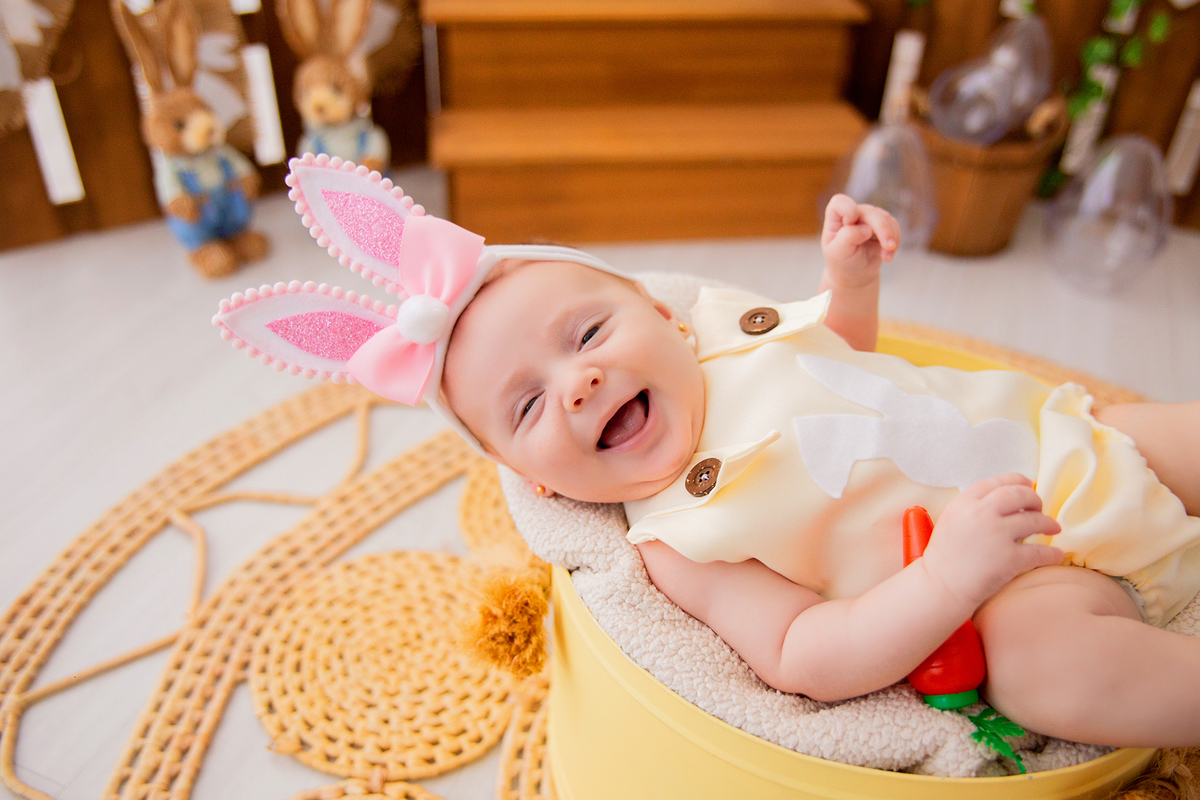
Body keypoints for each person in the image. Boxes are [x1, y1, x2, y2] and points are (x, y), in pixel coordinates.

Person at [220, 159, 1200, 750]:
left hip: (1075, 442)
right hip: (1011, 594)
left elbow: (850, 372)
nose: (578, 382)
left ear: (659, 312)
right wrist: (948, 576)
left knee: (1168, 427)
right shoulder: (679, 540)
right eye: (528, 405)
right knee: (1047, 675)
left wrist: (846, 283)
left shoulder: (733, 333)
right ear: (541, 481)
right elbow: (804, 656)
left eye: (587, 333)